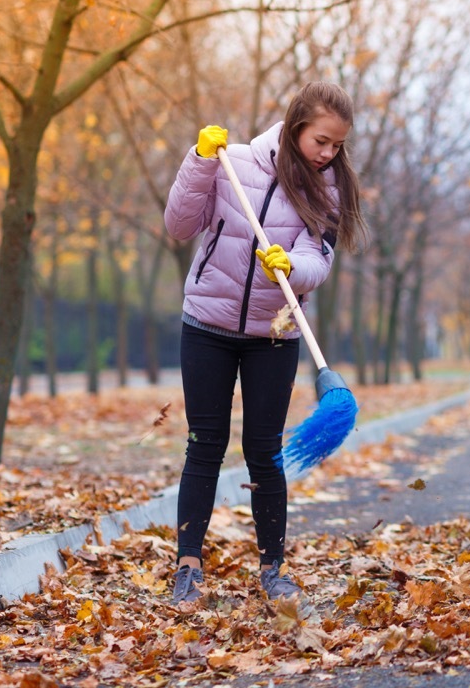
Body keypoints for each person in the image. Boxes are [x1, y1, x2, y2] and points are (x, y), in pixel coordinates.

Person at [163, 82, 364, 604]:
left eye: (337, 145)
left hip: (273, 334)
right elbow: (179, 224)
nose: (329, 154)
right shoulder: (232, 164)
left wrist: (290, 266)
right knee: (204, 445)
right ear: (297, 124)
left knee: (264, 452)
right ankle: (188, 567)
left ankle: (273, 568)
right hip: (207, 324)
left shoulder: (329, 189)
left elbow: (317, 261)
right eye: (322, 141)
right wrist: (199, 161)